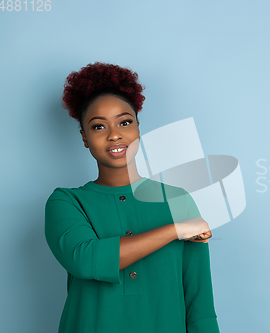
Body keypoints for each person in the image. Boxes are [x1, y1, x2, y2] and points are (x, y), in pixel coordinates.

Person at [44, 62, 220, 333]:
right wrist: (175, 230)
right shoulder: (66, 202)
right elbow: (85, 259)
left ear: (138, 128)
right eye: (99, 127)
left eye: (124, 122)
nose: (115, 134)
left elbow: (200, 304)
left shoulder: (178, 200)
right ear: (84, 137)